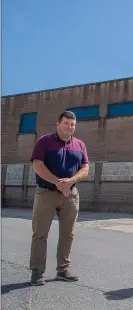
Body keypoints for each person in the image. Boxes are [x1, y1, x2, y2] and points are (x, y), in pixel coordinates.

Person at [29, 110, 89, 286]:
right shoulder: (45, 142)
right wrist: (58, 182)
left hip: (70, 195)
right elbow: (37, 166)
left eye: (72, 124)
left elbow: (85, 168)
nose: (70, 127)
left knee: (68, 233)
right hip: (46, 193)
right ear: (58, 124)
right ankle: (37, 271)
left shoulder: (80, 145)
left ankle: (63, 270)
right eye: (66, 123)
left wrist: (70, 181)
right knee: (40, 233)